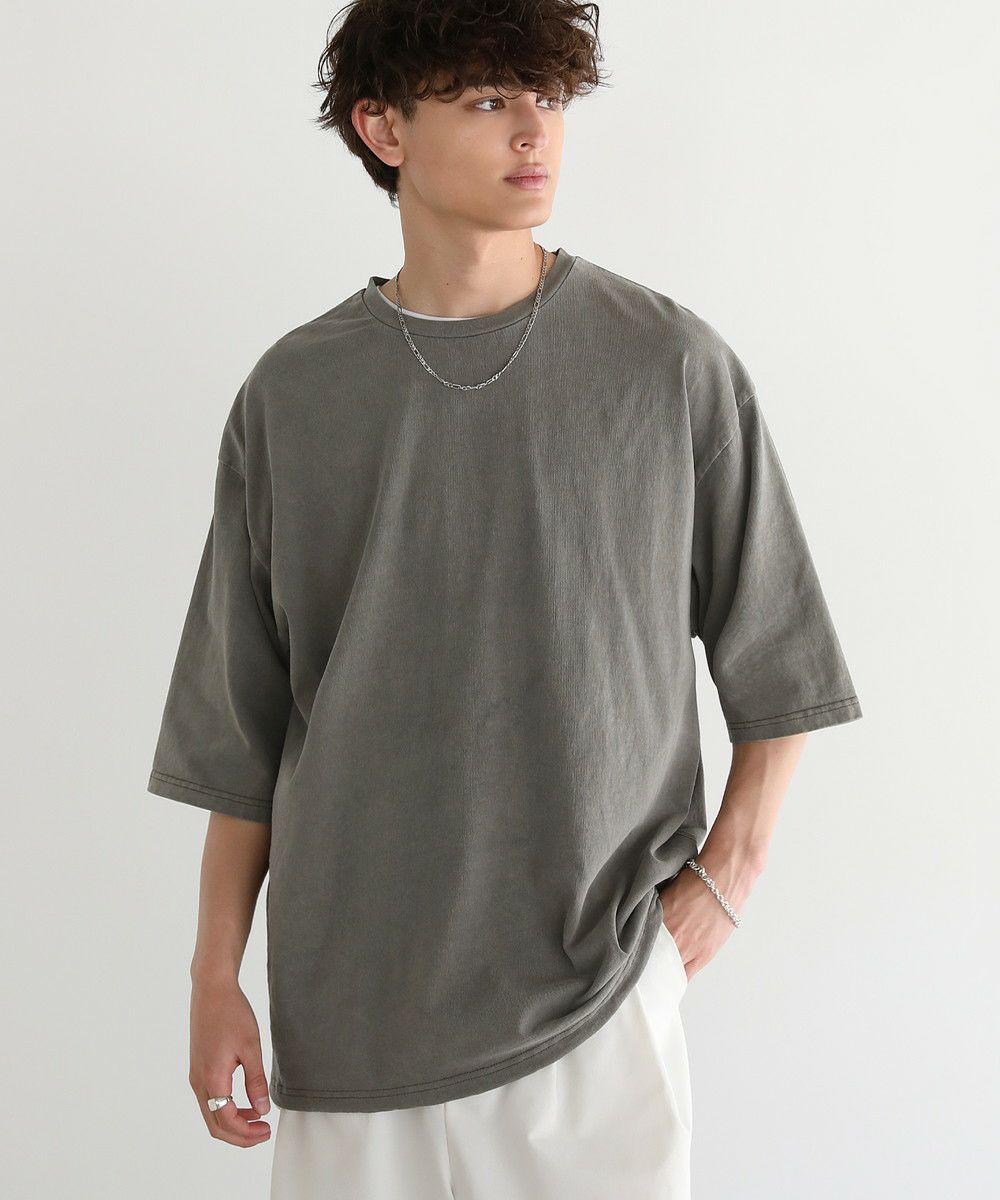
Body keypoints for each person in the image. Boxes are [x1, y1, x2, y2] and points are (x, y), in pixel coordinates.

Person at [145, 2, 863, 1196]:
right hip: (351, 1017)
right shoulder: (294, 396)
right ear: (383, 128)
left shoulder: (665, 364)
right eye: (487, 100)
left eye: (550, 98)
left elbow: (781, 665)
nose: (535, 132)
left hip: (594, 1007)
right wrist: (213, 979)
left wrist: (721, 888)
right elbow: (242, 739)